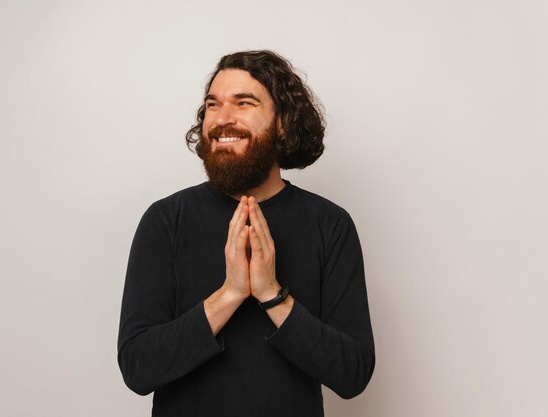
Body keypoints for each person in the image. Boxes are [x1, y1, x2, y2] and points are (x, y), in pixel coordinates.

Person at [117, 50, 375, 417]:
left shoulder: (330, 225)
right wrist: (231, 293)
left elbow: (353, 374)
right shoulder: (165, 220)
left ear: (283, 123)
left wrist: (271, 294)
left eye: (244, 103)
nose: (222, 119)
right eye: (213, 104)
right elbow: (138, 368)